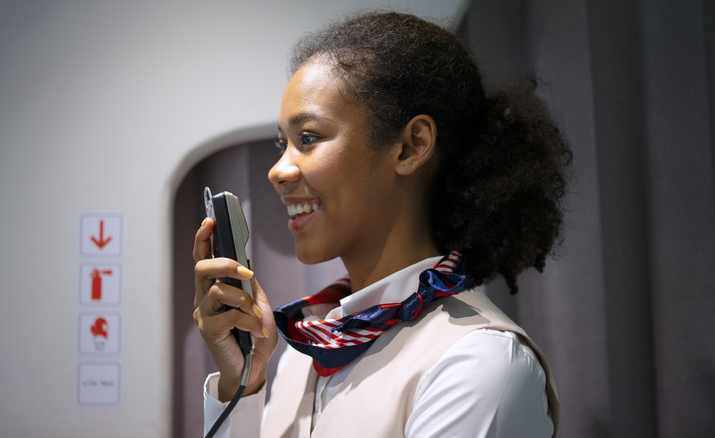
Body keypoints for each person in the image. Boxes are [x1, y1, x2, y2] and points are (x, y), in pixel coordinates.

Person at [193, 11, 571, 438]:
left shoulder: (478, 363)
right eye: (283, 144)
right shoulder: (301, 353)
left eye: (309, 138)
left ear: (412, 146)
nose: (278, 171)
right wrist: (242, 384)